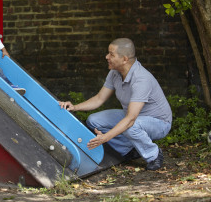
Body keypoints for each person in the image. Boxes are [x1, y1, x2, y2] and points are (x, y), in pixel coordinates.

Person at [59, 38, 172, 170]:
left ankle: (154, 155)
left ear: (124, 59)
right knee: (94, 121)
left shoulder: (141, 79)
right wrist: (74, 107)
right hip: (132, 117)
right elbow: (99, 99)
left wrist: (105, 138)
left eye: (111, 54)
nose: (107, 57)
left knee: (131, 126)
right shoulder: (114, 73)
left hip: (158, 122)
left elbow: (130, 120)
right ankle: (129, 151)